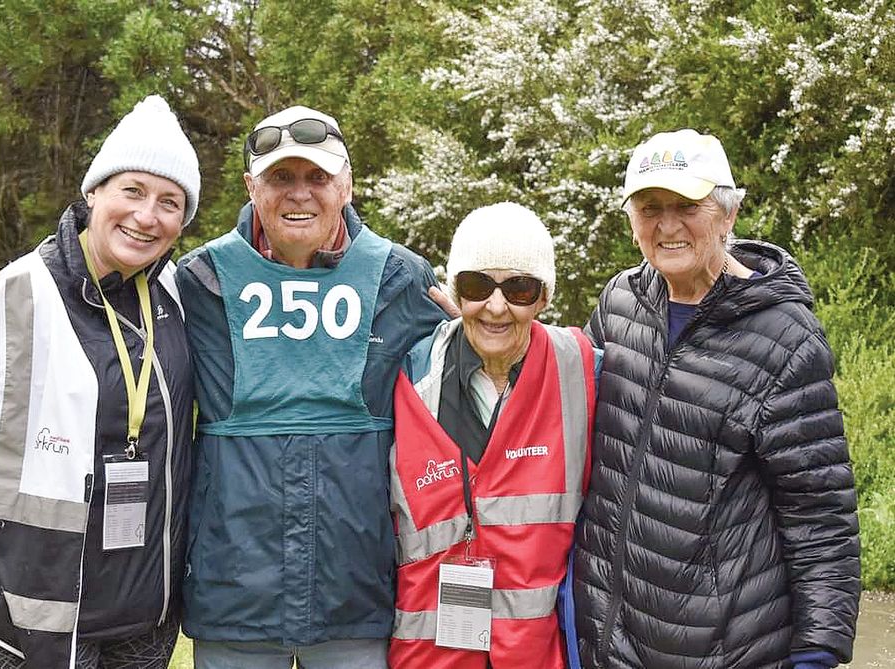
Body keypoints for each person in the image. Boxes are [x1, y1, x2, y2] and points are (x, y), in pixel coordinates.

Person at [0, 95, 200, 668]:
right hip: (40, 609)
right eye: (133, 191)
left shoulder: (179, 296)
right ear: (94, 192)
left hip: (147, 610)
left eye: (170, 203)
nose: (148, 216)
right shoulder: (16, 295)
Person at [572, 129, 860, 669]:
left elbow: (820, 514)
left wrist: (818, 651)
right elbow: (567, 415)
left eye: (687, 206)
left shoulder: (785, 339)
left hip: (725, 650)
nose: (668, 225)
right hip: (607, 641)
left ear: (727, 214)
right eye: (650, 207)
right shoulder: (619, 303)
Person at [176, 105, 448, 669]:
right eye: (280, 178)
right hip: (235, 596)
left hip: (357, 590)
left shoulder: (401, 280)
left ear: (346, 185)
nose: (299, 194)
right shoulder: (199, 283)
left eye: (316, 177)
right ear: (252, 187)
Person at [387, 202, 599, 669]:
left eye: (519, 287)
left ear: (543, 298)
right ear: (456, 292)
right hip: (424, 658)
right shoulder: (408, 373)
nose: (496, 306)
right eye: (478, 285)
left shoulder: (584, 373)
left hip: (536, 657)